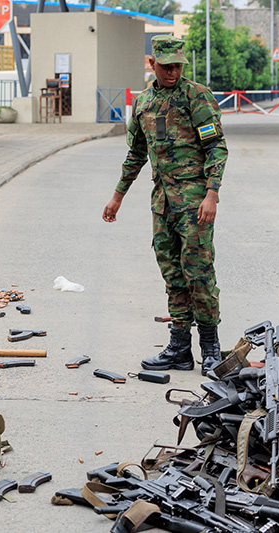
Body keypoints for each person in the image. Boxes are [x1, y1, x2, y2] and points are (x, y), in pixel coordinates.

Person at [102, 35, 228, 376]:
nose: (173, 72)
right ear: (152, 63)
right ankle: (179, 347)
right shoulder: (143, 103)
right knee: (172, 275)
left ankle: (211, 349)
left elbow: (216, 147)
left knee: (199, 274)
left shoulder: (196, 96)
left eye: (177, 66)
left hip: (195, 203)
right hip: (163, 203)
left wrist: (212, 193)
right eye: (166, 66)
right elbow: (136, 154)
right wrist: (118, 195)